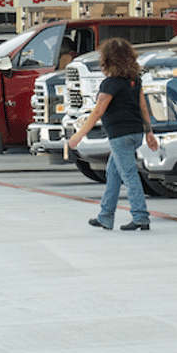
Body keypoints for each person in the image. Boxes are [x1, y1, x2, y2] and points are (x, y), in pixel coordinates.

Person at [66, 38, 158, 231]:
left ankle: (141, 216)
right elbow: (143, 106)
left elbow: (98, 112)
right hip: (135, 134)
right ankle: (105, 216)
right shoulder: (134, 81)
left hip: (120, 136)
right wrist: (149, 132)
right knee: (113, 173)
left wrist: (78, 135)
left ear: (107, 60)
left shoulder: (110, 84)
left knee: (129, 174)